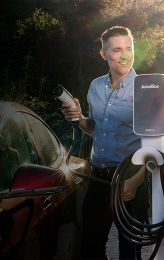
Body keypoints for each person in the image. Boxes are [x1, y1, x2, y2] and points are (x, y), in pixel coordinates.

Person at [62, 25, 144, 259]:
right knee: (91, 245)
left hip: (130, 177)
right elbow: (95, 129)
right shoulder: (95, 87)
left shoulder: (146, 89)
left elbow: (157, 144)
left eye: (129, 48)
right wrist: (79, 118)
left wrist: (137, 181)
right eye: (117, 50)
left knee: (130, 250)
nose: (125, 55)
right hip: (98, 176)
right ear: (103, 54)